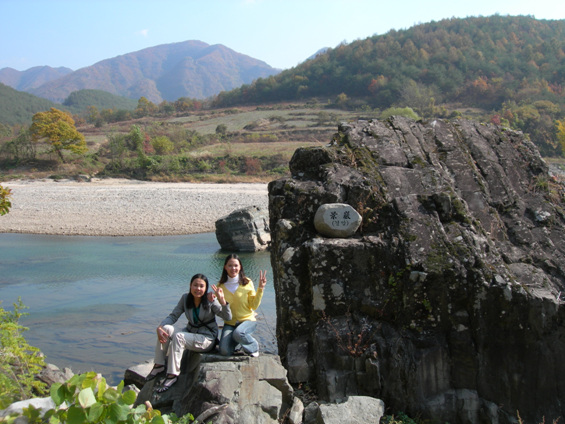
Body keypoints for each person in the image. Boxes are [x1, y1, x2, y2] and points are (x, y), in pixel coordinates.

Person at [147, 273, 231, 392]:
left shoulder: (210, 299)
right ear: (190, 285)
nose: (198, 289)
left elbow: (227, 317)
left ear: (205, 288)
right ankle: (159, 365)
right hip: (190, 333)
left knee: (179, 337)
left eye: (201, 286)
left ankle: (172, 374)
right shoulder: (185, 298)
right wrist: (160, 327)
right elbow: (173, 315)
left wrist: (222, 301)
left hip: (206, 339)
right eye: (195, 285)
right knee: (165, 329)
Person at [210, 254, 267, 357]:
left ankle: (253, 346)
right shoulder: (220, 286)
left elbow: (253, 306)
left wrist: (260, 289)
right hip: (230, 323)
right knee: (224, 351)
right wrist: (214, 299)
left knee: (239, 333)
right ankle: (239, 344)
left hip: (247, 320)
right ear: (225, 267)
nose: (233, 268)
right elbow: (218, 309)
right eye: (230, 265)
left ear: (240, 267)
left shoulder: (247, 282)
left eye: (236, 265)